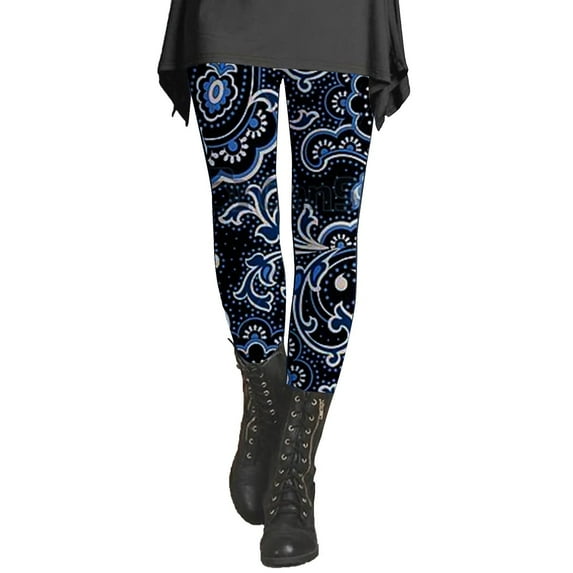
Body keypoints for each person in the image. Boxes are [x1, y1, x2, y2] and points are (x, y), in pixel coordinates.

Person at [157, 0, 411, 567]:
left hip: (340, 17)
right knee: (239, 227)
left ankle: (295, 464)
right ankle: (265, 399)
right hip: (228, 14)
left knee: (328, 248)